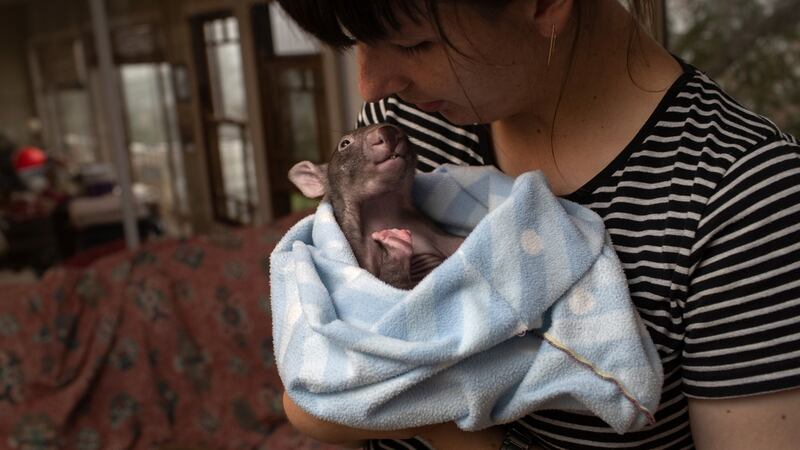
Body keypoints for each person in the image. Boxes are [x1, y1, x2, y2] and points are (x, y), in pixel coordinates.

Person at [274, 0, 800, 448]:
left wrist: (440, 428)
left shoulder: (745, 199)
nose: (369, 85)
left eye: (414, 45)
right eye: (358, 42)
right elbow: (326, 345)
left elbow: (335, 407)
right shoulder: (405, 131)